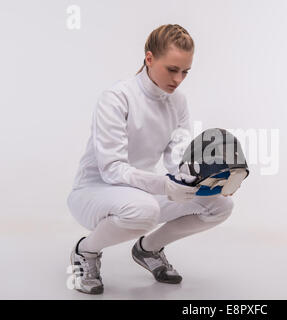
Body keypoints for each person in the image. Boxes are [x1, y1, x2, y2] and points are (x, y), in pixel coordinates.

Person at [66, 24, 234, 295]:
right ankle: (85, 250)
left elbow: (177, 161)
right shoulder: (116, 98)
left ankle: (148, 249)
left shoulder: (177, 102)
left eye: (185, 72)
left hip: (141, 191)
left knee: (221, 205)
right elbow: (112, 169)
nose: (178, 79)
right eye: (172, 69)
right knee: (145, 210)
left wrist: (212, 179)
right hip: (94, 191)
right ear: (149, 58)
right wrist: (166, 186)